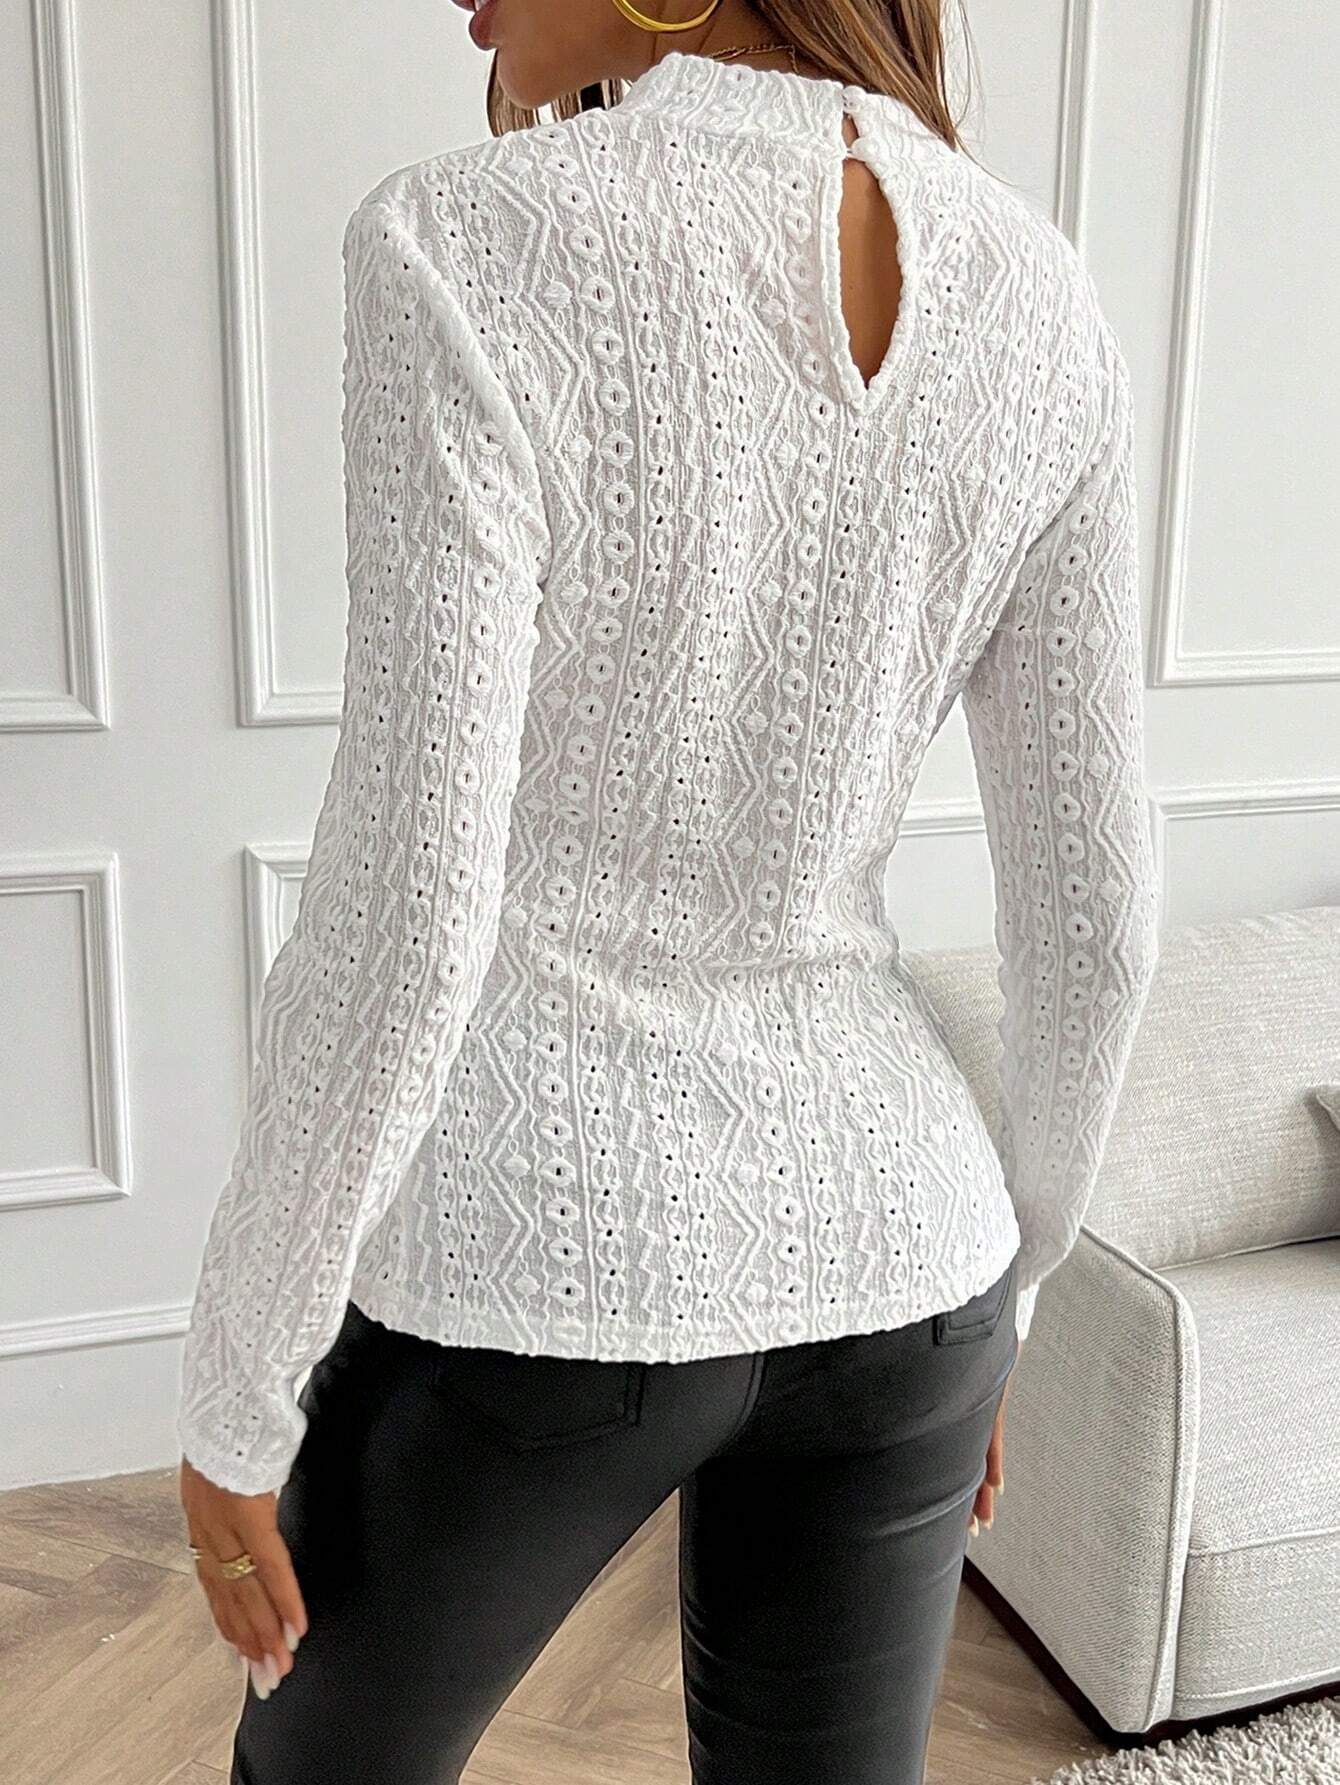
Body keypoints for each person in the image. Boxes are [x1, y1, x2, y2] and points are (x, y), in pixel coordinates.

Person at [177, 1, 1160, 1781]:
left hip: (537, 1269)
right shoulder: (1046, 303)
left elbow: (406, 912)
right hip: (908, 1263)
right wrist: (1005, 1296)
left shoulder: (461, 244)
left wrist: (240, 1385)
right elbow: (1098, 932)